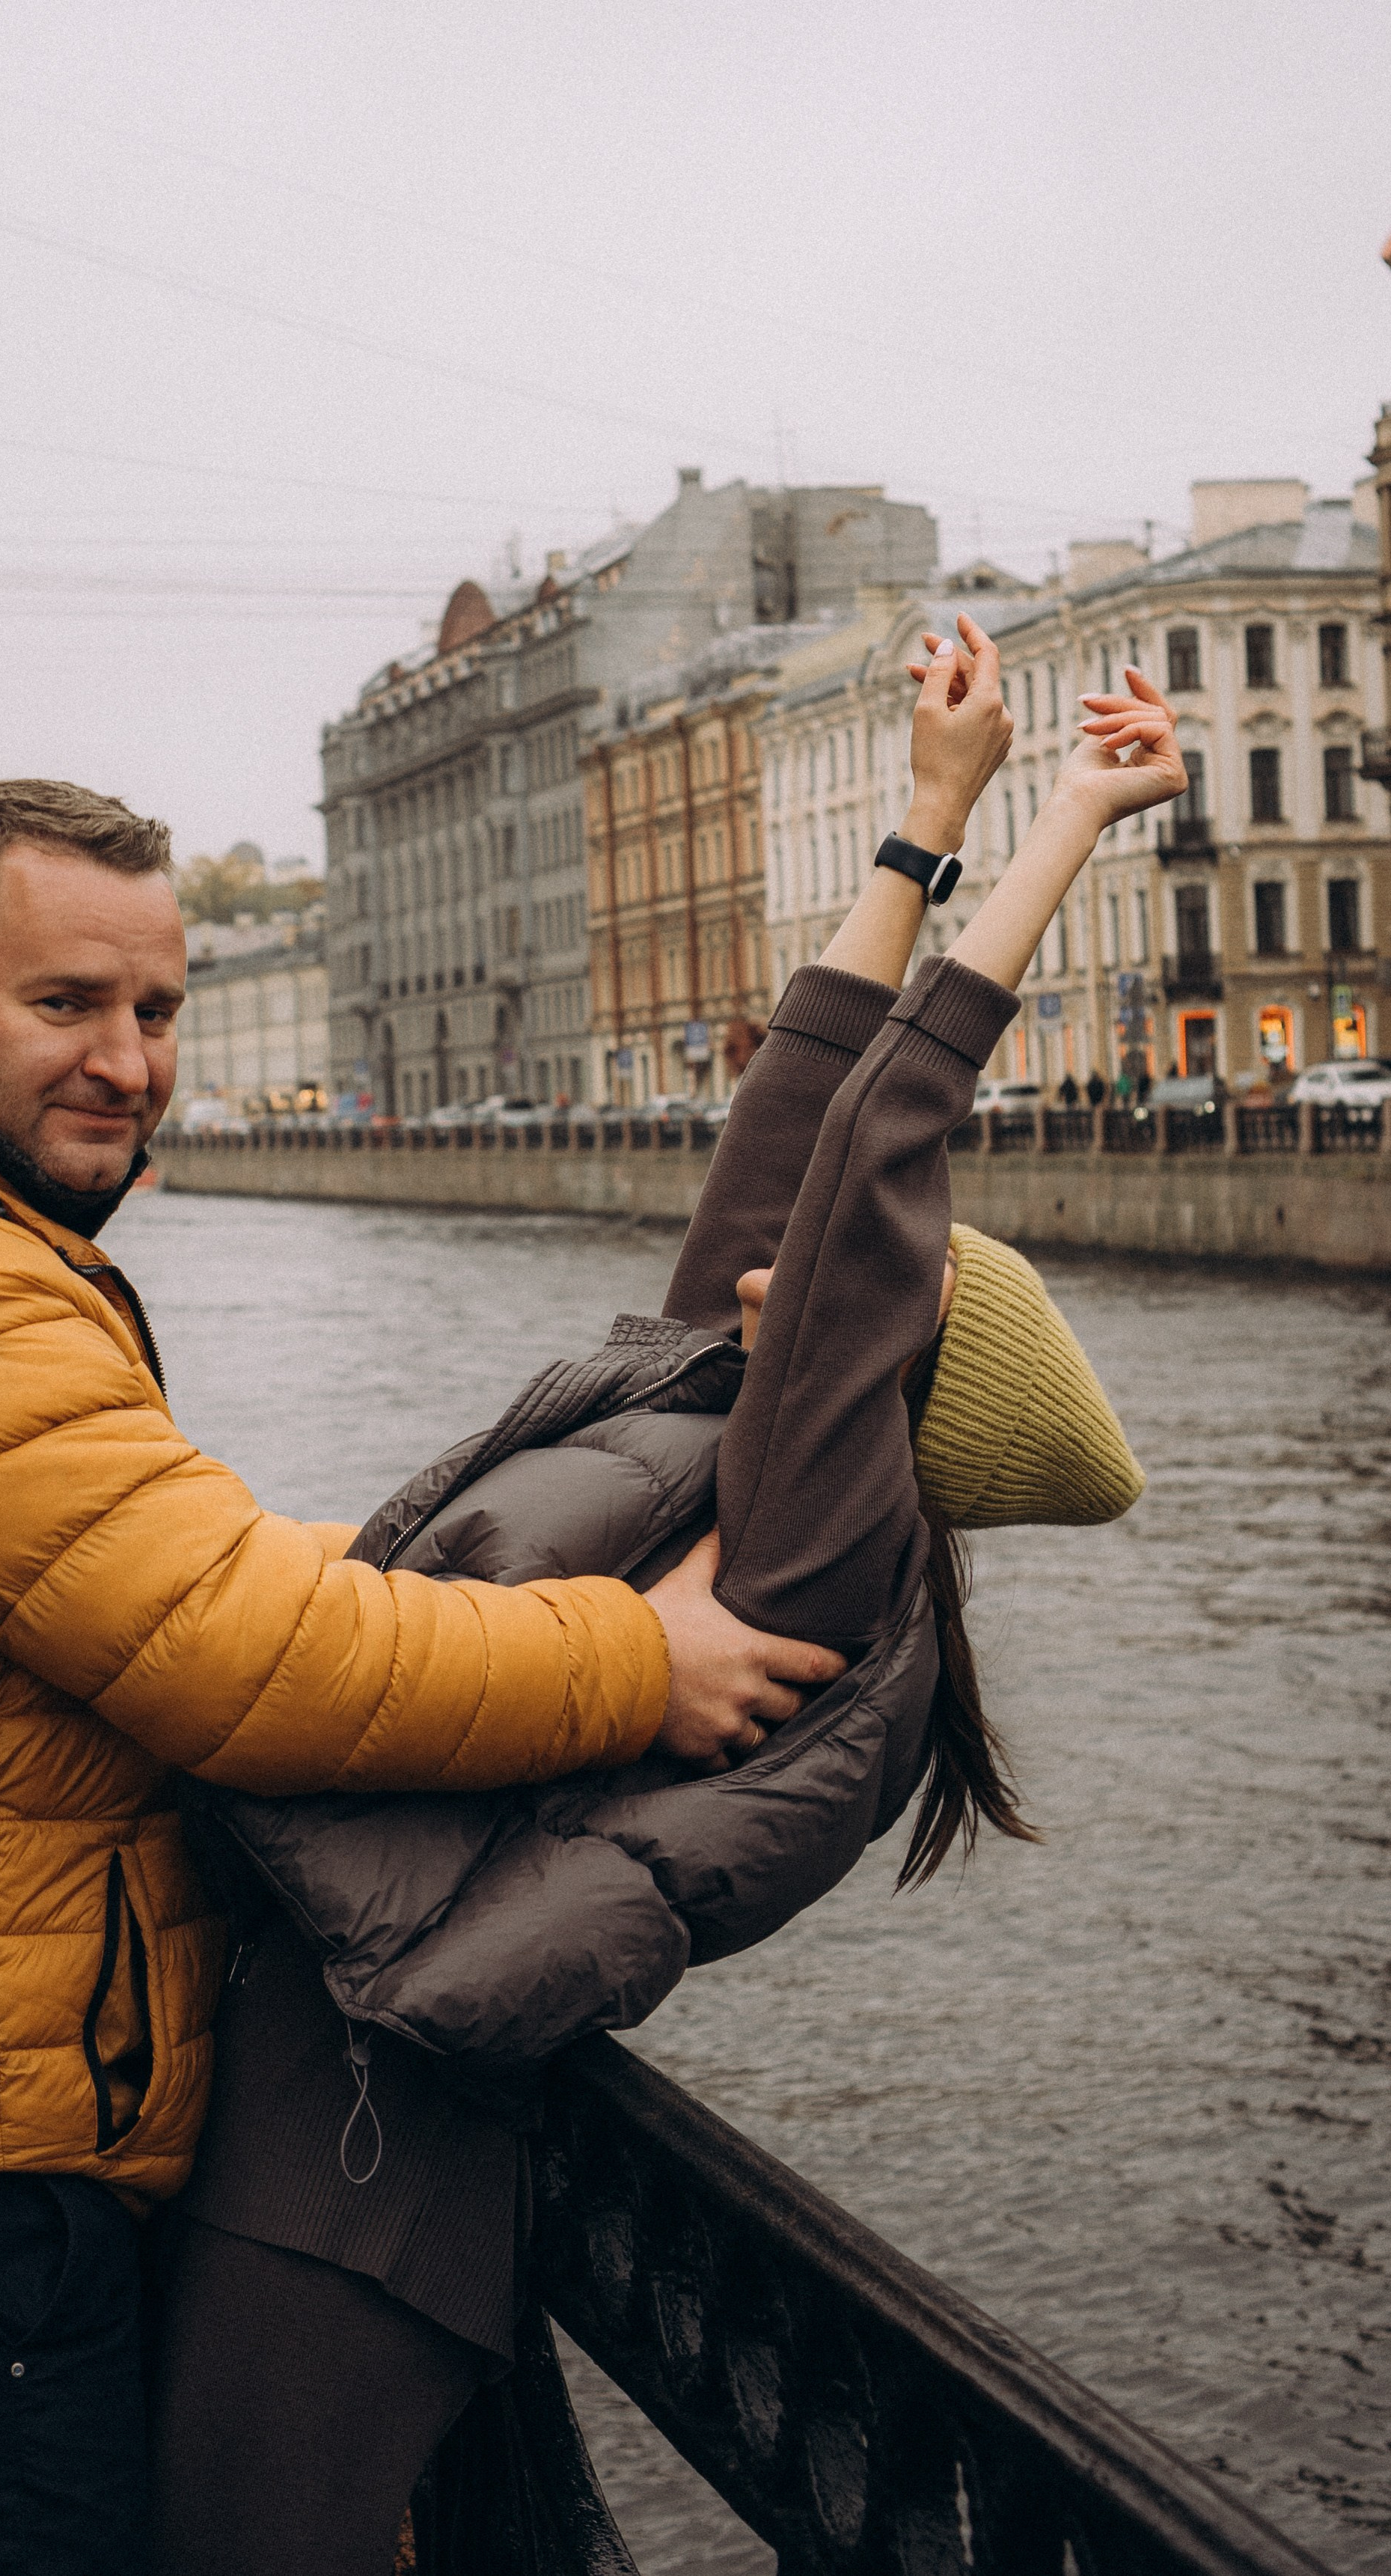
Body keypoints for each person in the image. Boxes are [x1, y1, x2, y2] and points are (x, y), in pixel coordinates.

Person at [0, 779, 832, 2576]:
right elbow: (258, 1659)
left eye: (156, 1012)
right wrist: (637, 1656)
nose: (127, 1064)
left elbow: (138, 1572)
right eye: (65, 1003)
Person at [152, 629, 1184, 2576]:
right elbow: (801, 1110)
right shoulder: (714, 1420)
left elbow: (883, 1140)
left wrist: (1071, 817)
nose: (817, 1257)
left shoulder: (820, 1565)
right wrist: (930, 812)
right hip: (309, 2069)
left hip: (358, 2168)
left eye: (890, 1279)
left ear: (894, 1384)